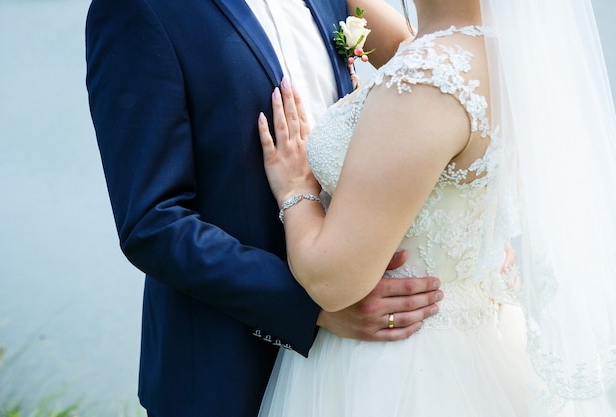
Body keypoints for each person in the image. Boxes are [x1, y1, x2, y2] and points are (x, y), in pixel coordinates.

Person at [84, 0, 445, 416]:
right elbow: (152, 223)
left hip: (354, 375)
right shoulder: (138, 9)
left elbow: (437, 86)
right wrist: (311, 309)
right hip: (227, 377)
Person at [256, 0, 616, 415]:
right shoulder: (503, 61)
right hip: (480, 339)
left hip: (394, 367)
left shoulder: (426, 80)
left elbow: (332, 280)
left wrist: (296, 190)